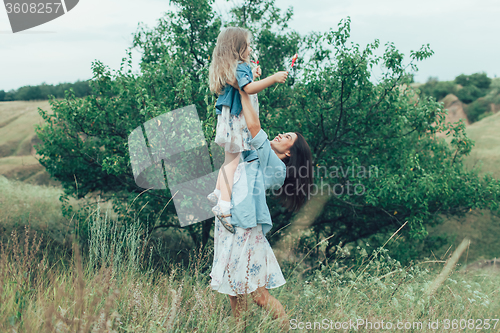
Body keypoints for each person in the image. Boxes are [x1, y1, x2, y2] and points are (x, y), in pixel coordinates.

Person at [210, 87, 313, 331]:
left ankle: (287, 329)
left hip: (245, 227)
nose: (279, 135)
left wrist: (245, 88)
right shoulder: (258, 154)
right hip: (231, 222)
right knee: (235, 290)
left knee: (258, 294)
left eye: (286, 137)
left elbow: (254, 126)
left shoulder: (277, 167)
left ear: (289, 152)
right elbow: (243, 130)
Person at [208, 26, 289, 233]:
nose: (251, 49)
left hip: (227, 118)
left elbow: (244, 82)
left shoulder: (231, 67)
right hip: (237, 120)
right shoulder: (240, 66)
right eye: (248, 45)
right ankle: (224, 206)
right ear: (238, 48)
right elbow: (247, 88)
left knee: (228, 160)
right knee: (233, 161)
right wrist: (273, 79)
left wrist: (251, 73)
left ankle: (218, 191)